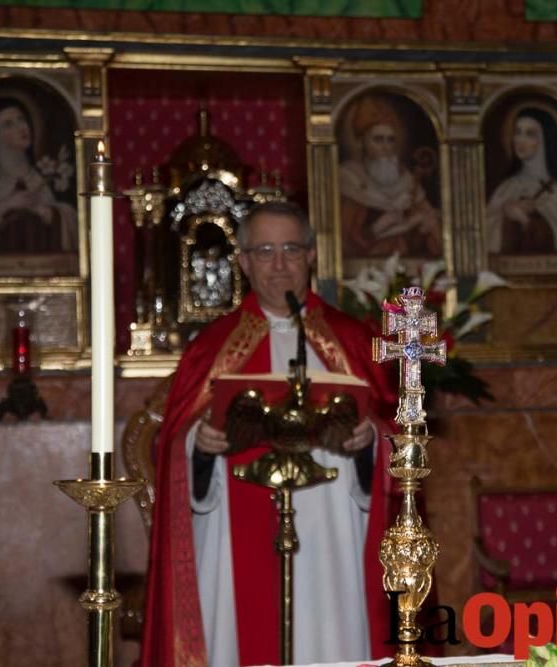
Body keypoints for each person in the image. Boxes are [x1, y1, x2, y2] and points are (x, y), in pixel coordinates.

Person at [141, 201, 398, 667]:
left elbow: (393, 442)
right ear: (242, 262)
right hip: (235, 534)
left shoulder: (353, 340)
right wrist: (200, 446)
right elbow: (175, 445)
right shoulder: (214, 348)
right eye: (264, 251)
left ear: (312, 255)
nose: (279, 264)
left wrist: (370, 442)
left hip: (333, 535)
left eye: (290, 249)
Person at [0, 96, 77, 254]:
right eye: (8, 124)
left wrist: (46, 211)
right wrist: (4, 206)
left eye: (21, 119)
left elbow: (74, 220)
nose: (21, 127)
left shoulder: (46, 177)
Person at [339, 95, 442, 258]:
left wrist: (422, 222)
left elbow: (429, 234)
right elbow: (346, 240)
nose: (386, 147)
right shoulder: (349, 177)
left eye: (391, 140)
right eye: (378, 140)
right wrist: (380, 226)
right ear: (361, 142)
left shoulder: (407, 178)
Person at [486, 106, 557, 255]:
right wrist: (506, 213)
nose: (520, 140)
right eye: (517, 132)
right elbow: (484, 237)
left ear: (545, 139)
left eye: (530, 134)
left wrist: (526, 220)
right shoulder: (506, 188)